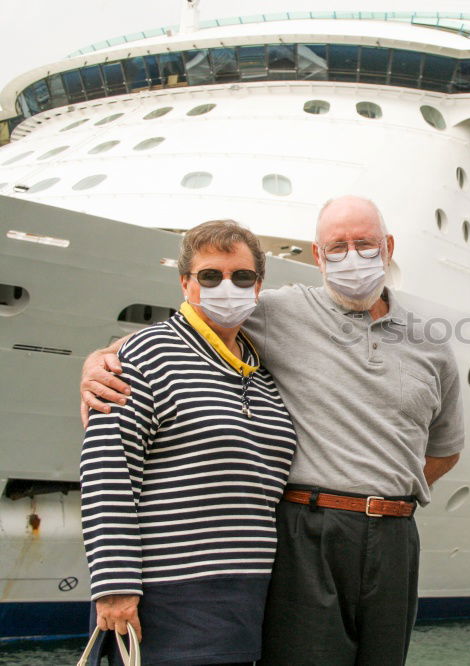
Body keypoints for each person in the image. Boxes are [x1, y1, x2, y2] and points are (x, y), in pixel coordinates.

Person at [81, 196, 465, 665]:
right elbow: (191, 324)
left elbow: (445, 449)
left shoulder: (431, 345)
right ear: (318, 256)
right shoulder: (279, 312)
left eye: (363, 244)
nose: (352, 256)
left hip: (388, 537)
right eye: (337, 246)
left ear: (387, 246)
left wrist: (388, 490)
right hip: (305, 531)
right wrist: (102, 355)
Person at [79, 220, 297, 665]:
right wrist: (115, 589)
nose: (227, 286)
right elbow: (107, 471)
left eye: (241, 277)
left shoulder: (262, 376)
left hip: (245, 605)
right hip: (162, 606)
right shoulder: (143, 356)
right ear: (185, 282)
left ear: (259, 285)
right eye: (210, 276)